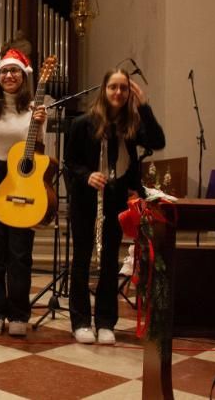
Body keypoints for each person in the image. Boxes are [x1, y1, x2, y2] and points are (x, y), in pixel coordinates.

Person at [64, 68, 165, 345]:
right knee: (82, 259)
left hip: (115, 197)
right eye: (113, 87)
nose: (118, 92)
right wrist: (87, 175)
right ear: (104, 90)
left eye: (124, 88)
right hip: (86, 199)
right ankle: (81, 321)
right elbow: (70, 162)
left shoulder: (132, 125)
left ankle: (106, 321)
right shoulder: (83, 123)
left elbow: (158, 142)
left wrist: (144, 107)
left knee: (110, 260)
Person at [0, 48, 47, 337]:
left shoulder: (35, 109)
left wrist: (40, 124)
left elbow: (39, 149)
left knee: (19, 251)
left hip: (22, 177)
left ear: (23, 76)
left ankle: (18, 313)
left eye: (14, 70)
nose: (9, 75)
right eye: (4, 71)